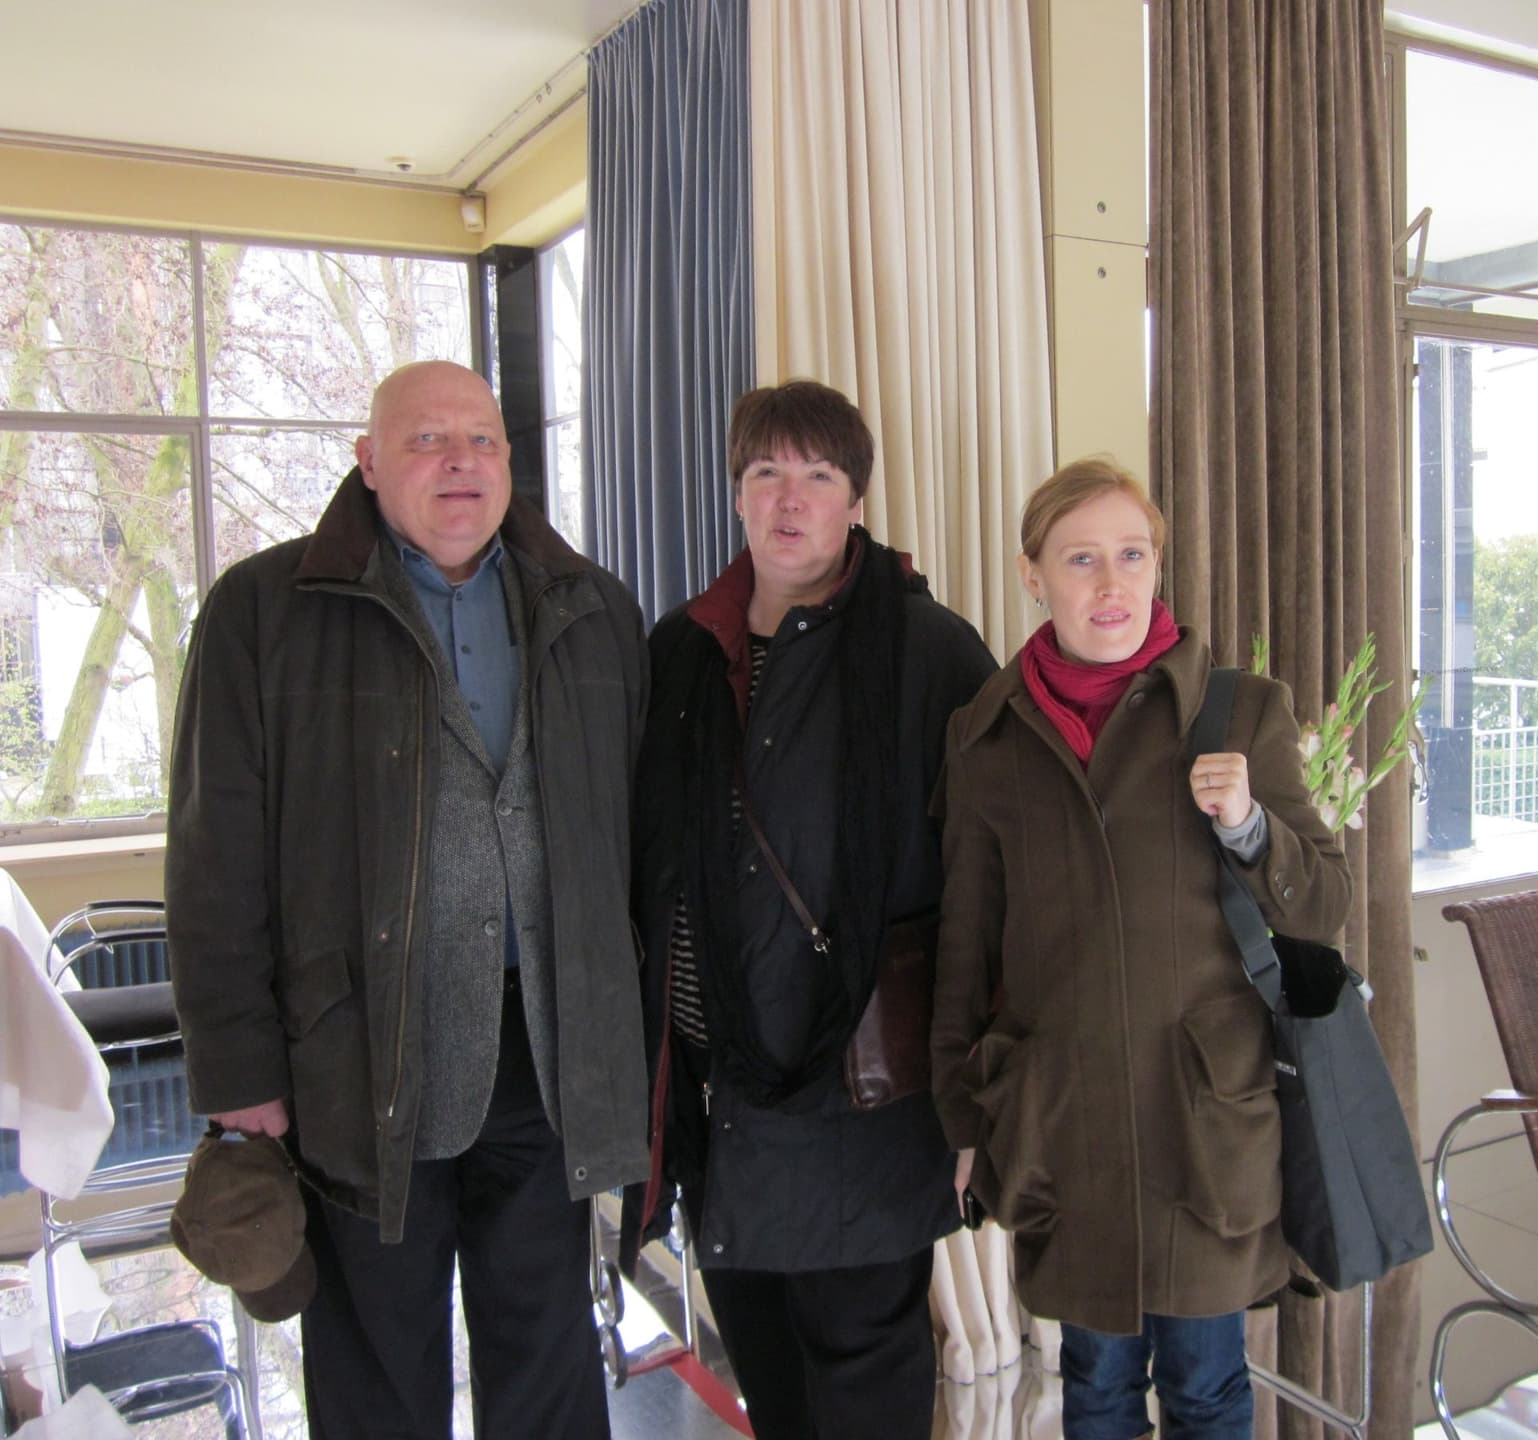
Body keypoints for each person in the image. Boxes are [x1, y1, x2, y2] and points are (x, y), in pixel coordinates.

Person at [166, 360, 650, 1439]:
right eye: (427, 441)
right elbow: (212, 861)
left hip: (548, 1058)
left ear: (510, 464)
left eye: (480, 440)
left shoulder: (593, 610)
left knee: (551, 1357)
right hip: (357, 1060)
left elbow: (632, 842)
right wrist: (239, 1077)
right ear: (369, 463)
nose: (459, 463)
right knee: (378, 1369)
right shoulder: (263, 611)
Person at [930, 457, 1354, 1440]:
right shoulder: (986, 738)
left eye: (1132, 554)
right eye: (1082, 559)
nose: (1111, 584)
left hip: (1205, 1120)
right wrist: (959, 1115)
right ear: (1033, 574)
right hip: (1063, 1119)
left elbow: (1322, 903)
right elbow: (965, 941)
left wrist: (1249, 824)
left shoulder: (1241, 710)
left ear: (1159, 564)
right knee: (1096, 1384)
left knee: (1206, 1388)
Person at [626, 379, 996, 1440]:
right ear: (736, 495)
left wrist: (981, 1093)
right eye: (766, 474)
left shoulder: (930, 652)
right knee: (769, 1370)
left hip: (867, 1100)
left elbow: (989, 878)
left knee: (866, 1369)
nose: (791, 501)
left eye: (819, 477)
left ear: (858, 503)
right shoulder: (681, 653)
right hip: (719, 1101)